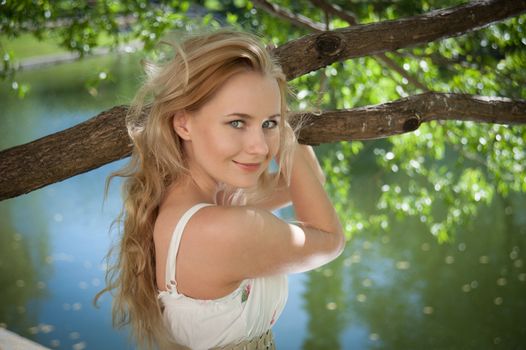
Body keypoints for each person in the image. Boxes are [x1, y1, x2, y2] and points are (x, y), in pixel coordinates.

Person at [95, 29, 345, 350]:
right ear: (183, 123)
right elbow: (330, 238)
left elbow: (302, 183)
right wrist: (288, 142)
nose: (258, 147)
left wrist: (275, 127)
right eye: (237, 123)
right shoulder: (223, 228)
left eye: (269, 123)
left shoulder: (190, 199)